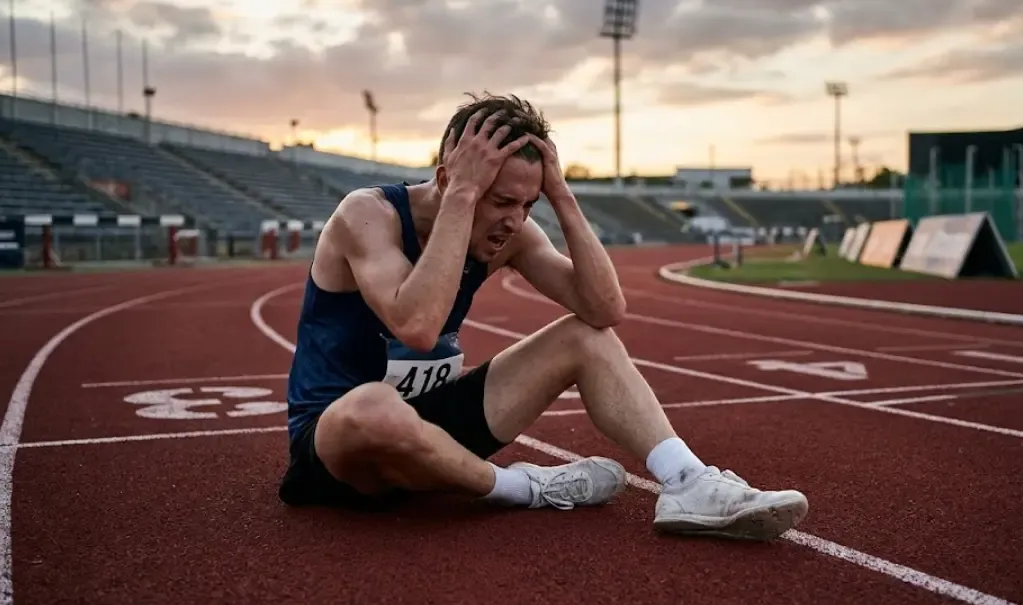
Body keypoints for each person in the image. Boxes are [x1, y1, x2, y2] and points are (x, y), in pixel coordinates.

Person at [278, 92, 809, 540]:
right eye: (503, 201)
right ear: (449, 178)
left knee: (585, 337)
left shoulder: (509, 230)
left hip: (432, 419)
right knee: (372, 406)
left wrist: (562, 195)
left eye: (528, 205)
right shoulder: (367, 215)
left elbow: (605, 309)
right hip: (339, 446)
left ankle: (688, 482)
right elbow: (416, 328)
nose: (515, 221)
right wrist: (461, 200)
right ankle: (526, 488)